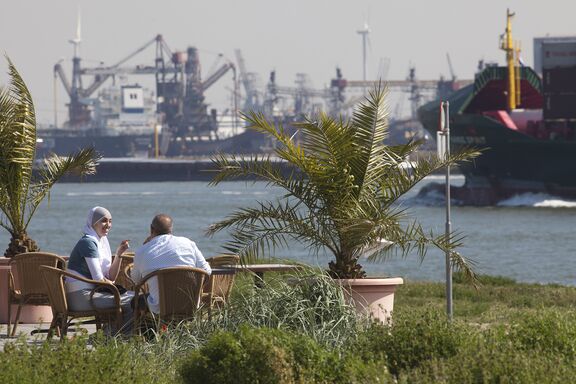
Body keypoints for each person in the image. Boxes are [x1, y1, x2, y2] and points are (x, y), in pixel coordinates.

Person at [66, 206, 134, 335]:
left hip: (91, 293)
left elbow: (110, 276)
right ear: (93, 223)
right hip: (82, 297)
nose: (108, 225)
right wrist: (117, 289)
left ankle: (110, 333)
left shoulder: (100, 241)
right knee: (134, 301)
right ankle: (112, 335)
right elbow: (99, 279)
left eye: (110, 221)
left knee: (135, 298)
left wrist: (119, 254)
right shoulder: (88, 243)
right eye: (104, 221)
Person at [131, 214, 211, 314]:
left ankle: (148, 328)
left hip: (159, 307)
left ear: (151, 229)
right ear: (171, 229)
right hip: (190, 304)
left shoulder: (142, 251)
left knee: (135, 302)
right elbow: (206, 271)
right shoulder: (188, 243)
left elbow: (136, 280)